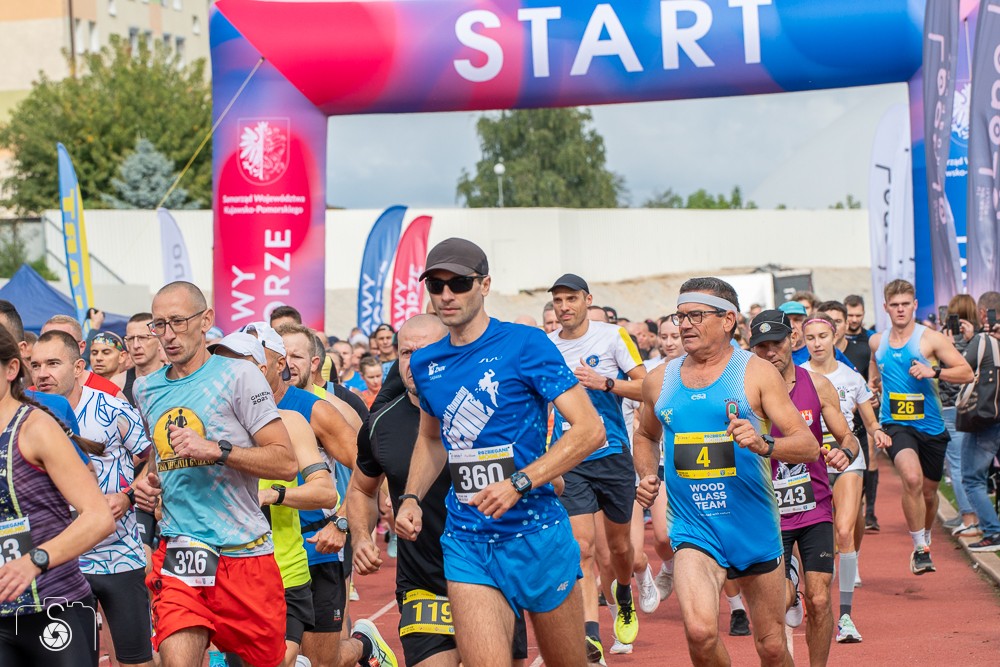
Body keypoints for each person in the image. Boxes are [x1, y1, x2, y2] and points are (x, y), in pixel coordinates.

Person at [396, 238, 606, 667]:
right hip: (467, 540)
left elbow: (590, 429)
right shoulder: (425, 363)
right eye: (436, 286)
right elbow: (432, 439)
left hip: (537, 535)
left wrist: (520, 482)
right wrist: (412, 497)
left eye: (459, 283)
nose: (447, 294)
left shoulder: (525, 344)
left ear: (485, 285)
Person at [633, 277, 817, 667]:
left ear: (728, 320)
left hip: (753, 528)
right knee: (700, 633)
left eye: (696, 316)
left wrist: (764, 443)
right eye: (680, 316)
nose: (685, 325)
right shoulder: (660, 380)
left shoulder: (756, 373)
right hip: (694, 529)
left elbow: (808, 445)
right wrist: (648, 474)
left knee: (771, 646)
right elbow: (645, 435)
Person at [351, 314, 535, 666]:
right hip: (423, 584)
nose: (415, 362)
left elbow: (546, 481)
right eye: (406, 353)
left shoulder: (492, 411)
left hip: (492, 575)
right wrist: (360, 537)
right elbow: (361, 489)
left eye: (426, 351)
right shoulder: (380, 424)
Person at [130, 281, 298, 667]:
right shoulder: (146, 388)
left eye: (178, 321)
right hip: (183, 550)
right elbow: (161, 453)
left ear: (205, 320)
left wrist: (217, 451)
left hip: (245, 555)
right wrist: (149, 481)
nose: (168, 335)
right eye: (159, 325)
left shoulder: (239, 376)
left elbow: (285, 463)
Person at [209, 331, 341, 667]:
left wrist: (273, 494)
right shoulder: (206, 427)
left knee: (281, 660)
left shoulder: (291, 422)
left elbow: (326, 492)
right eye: (221, 366)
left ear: (261, 370)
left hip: (285, 571)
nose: (227, 375)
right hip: (224, 572)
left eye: (237, 366)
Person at [32, 329, 155, 667]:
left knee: (135, 661)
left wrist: (129, 496)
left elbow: (154, 456)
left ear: (78, 367)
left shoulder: (111, 408)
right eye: (36, 365)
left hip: (119, 556)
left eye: (53, 363)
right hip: (61, 563)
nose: (43, 373)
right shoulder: (25, 417)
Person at [548, 273, 652, 660]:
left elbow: (646, 387)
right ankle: (590, 636)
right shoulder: (546, 346)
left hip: (612, 455)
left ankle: (623, 593)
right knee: (582, 549)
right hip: (570, 458)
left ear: (587, 300)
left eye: (571, 299)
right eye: (558, 300)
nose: (564, 307)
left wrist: (605, 383)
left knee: (619, 548)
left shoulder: (613, 336)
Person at [0, 325, 116, 667]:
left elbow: (99, 517)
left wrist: (34, 560)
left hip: (55, 606)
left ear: (11, 369)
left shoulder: (35, 428)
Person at [749, 310, 858, 666]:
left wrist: (844, 453)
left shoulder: (818, 385)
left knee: (821, 599)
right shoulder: (744, 391)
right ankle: (790, 592)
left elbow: (848, 437)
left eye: (776, 343)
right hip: (768, 513)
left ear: (792, 340)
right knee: (778, 602)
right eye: (761, 346)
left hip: (815, 507)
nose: (770, 352)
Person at [868, 279, 973, 575]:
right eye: (895, 305)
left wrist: (933, 371)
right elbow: (875, 368)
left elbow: (967, 373)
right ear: (886, 307)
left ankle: (925, 536)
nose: (900, 309)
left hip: (931, 426)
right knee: (911, 478)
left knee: (928, 493)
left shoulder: (931, 339)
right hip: (896, 424)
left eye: (906, 304)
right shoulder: (878, 341)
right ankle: (919, 548)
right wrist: (873, 385)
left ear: (914, 305)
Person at [801, 313, 890, 643]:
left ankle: (846, 617)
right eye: (811, 338)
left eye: (823, 336)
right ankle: (808, 596)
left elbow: (868, 420)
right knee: (803, 535)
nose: (817, 343)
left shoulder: (851, 377)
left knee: (843, 531)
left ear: (834, 336)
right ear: (803, 341)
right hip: (809, 463)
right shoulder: (797, 375)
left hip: (847, 459)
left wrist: (878, 432)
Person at [939, 294, 980, 537]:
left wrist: (950, 346)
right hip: (974, 407)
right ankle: (970, 514)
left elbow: (953, 371)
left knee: (957, 464)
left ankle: (969, 517)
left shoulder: (952, 341)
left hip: (954, 407)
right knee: (967, 463)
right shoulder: (978, 338)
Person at [962, 291, 1000, 552]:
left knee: (972, 478)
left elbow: (961, 369)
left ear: (983, 313)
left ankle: (993, 532)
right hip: (993, 416)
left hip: (986, 417)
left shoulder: (983, 339)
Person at [42, 315, 126, 400]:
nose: (99, 358)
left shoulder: (110, 394)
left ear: (81, 347)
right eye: (45, 342)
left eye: (64, 342)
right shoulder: (35, 390)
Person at [114, 313, 165, 406]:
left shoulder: (176, 379)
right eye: (131, 339)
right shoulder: (117, 384)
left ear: (159, 341)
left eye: (143, 338)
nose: (136, 345)